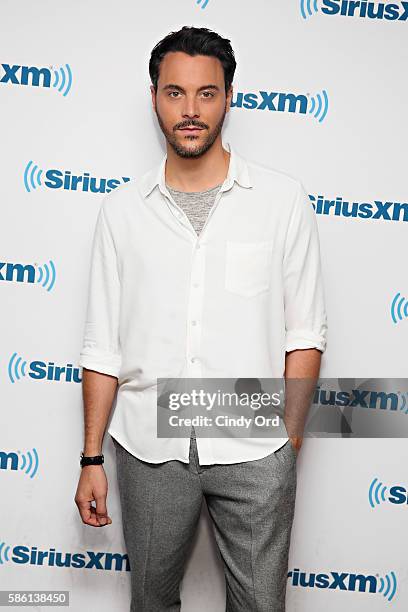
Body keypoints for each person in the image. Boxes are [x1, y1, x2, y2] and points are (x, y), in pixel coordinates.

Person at [74, 25, 328, 612]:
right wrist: (91, 457)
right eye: (175, 93)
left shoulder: (282, 200)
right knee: (152, 602)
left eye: (206, 93)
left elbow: (305, 333)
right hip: (147, 445)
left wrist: (285, 443)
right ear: (155, 98)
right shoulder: (120, 212)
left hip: (254, 442)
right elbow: (101, 347)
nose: (190, 111)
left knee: (261, 606)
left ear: (230, 96)